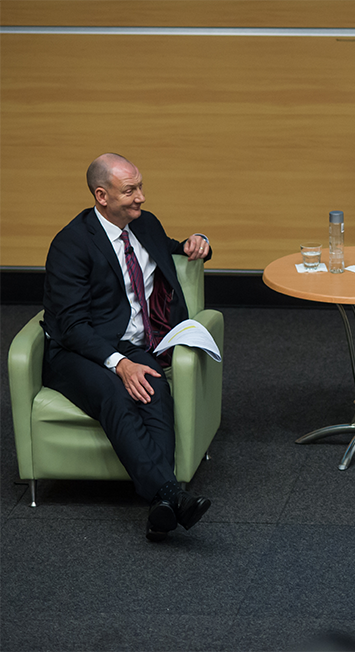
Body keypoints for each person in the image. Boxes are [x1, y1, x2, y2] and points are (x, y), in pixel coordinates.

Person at [41, 153, 214, 542]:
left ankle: (162, 508)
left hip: (129, 343)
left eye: (140, 187)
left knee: (154, 388)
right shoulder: (71, 244)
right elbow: (70, 326)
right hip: (76, 351)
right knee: (116, 396)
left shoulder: (145, 225)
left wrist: (197, 242)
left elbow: (173, 247)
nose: (141, 197)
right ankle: (169, 493)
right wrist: (119, 364)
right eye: (130, 190)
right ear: (102, 196)